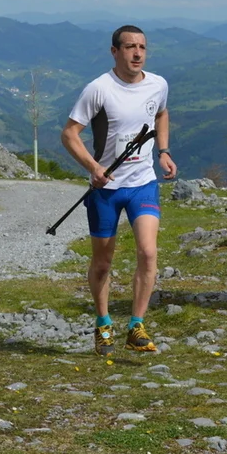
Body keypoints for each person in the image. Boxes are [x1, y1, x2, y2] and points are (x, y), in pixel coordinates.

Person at [61, 25, 177, 356]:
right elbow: (69, 134)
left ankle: (136, 325)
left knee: (148, 252)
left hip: (143, 183)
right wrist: (93, 168)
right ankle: (103, 323)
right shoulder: (99, 89)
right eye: (129, 47)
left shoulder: (158, 84)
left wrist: (163, 151)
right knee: (103, 262)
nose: (137, 53)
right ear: (115, 52)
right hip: (106, 189)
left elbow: (161, 113)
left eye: (142, 47)